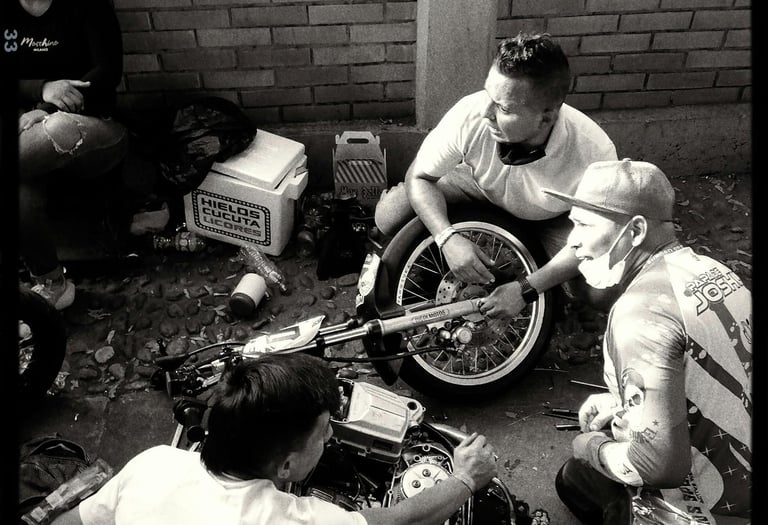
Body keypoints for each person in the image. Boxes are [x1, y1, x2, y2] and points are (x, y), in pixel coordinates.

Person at [50, 353, 498, 525]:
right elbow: (400, 521)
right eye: (323, 436)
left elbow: (73, 524)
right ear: (285, 467)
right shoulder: (290, 521)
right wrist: (464, 480)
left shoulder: (154, 463)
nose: (328, 440)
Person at [544, 159, 751, 524]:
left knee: (586, 461)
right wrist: (624, 402)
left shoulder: (639, 316)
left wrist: (592, 447)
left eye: (584, 225)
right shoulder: (715, 271)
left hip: (714, 508)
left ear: (635, 230)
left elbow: (659, 467)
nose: (572, 241)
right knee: (575, 481)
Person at [374, 31, 618, 318]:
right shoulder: (471, 113)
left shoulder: (594, 152)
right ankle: (430, 261)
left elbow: (596, 236)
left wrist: (527, 288)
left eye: (503, 107)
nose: (486, 112)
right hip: (476, 188)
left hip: (550, 216)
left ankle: (543, 274)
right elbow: (420, 176)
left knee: (602, 290)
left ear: (547, 116)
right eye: (489, 95)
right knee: (389, 215)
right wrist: (446, 237)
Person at [12, 0, 129, 310]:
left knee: (59, 127)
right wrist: (43, 88)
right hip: (29, 141)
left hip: (95, 130)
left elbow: (107, 71)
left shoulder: (86, 3)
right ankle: (53, 284)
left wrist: (47, 109)